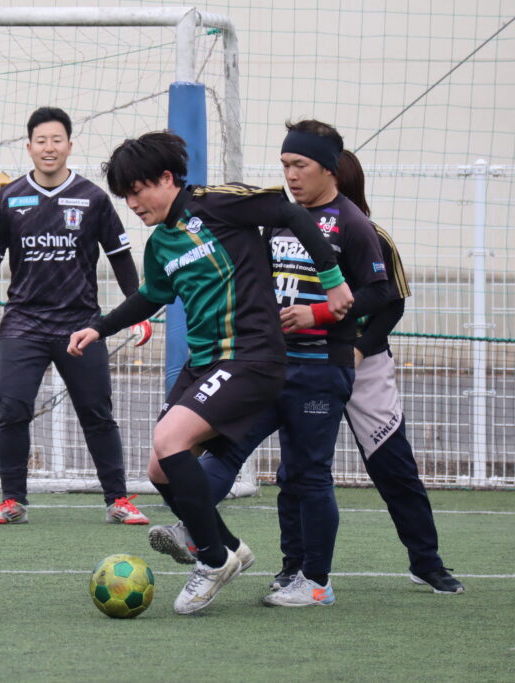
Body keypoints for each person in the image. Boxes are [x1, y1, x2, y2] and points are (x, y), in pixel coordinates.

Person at [68, 130, 353, 614]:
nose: (132, 204)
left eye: (137, 191)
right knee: (159, 468)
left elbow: (287, 212)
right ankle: (229, 547)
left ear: (166, 178)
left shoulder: (217, 203)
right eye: (125, 196)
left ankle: (212, 559)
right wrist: (99, 327)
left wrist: (332, 279)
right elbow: (150, 296)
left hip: (251, 357)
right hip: (205, 363)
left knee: (169, 440)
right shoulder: (161, 244)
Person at [193, 120, 392, 607]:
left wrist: (315, 313)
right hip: (270, 365)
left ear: (329, 168)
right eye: (285, 165)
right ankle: (203, 528)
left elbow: (380, 294)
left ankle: (317, 581)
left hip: (322, 368)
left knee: (308, 474)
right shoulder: (282, 218)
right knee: (225, 445)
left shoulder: (352, 223)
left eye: (300, 165)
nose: (291, 175)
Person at [0, 107, 152, 526]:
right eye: (41, 141)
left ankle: (117, 499)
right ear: (29, 146)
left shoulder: (93, 198)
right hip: (24, 324)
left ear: (69, 145)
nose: (49, 148)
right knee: (11, 407)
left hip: (81, 324)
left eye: (56, 140)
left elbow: (120, 256)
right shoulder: (9, 197)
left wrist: (137, 309)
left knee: (97, 412)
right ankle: (12, 500)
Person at [327, 149, 463, 593]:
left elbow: (393, 303)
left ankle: (427, 562)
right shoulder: (291, 234)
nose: (294, 178)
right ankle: (295, 569)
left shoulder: (373, 236)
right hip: (306, 365)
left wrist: (361, 349)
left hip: (365, 368)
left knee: (395, 466)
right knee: (300, 471)